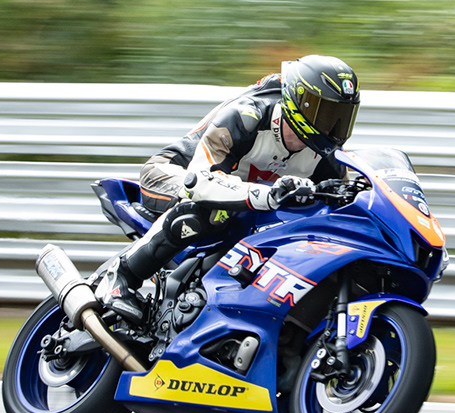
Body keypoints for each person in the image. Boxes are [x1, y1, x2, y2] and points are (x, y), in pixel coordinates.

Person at [96, 55, 361, 307]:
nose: (332, 128)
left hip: (240, 196)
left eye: (341, 117)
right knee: (210, 210)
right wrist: (265, 194)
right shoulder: (248, 116)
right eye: (326, 114)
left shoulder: (328, 155)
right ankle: (120, 276)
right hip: (172, 173)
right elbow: (199, 182)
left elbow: (342, 206)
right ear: (298, 101)